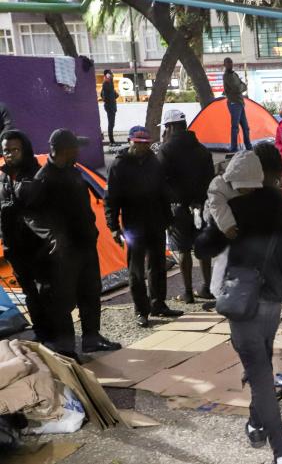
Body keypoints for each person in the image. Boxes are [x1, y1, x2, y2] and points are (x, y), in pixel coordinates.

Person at [194, 151, 282, 464]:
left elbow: (202, 247)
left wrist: (208, 217)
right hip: (273, 300)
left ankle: (281, 448)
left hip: (241, 300)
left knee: (258, 373)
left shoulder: (234, 209)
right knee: (261, 364)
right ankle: (257, 423)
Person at [24, 129, 120, 357]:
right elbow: (30, 215)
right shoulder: (44, 178)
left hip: (85, 243)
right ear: (65, 150)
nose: (79, 151)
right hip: (63, 253)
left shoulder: (73, 172)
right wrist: (52, 236)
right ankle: (67, 348)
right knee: (63, 300)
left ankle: (91, 338)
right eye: (75, 147)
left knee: (91, 292)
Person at [106, 126, 181, 327]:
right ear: (130, 141)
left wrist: (168, 220)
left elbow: (163, 192)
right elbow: (111, 199)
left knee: (157, 266)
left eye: (145, 143)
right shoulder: (118, 166)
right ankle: (141, 310)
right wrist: (113, 226)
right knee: (136, 270)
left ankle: (159, 304)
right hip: (133, 225)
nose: (141, 147)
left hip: (156, 222)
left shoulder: (153, 162)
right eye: (137, 143)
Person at [157, 109, 216, 304]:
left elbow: (159, 181)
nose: (164, 131)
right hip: (201, 206)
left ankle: (188, 292)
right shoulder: (202, 150)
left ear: (171, 127)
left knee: (182, 249)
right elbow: (210, 179)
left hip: (177, 208)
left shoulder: (165, 150)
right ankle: (207, 287)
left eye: (165, 127)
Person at [1, 130, 48, 343]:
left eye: (14, 150)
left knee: (46, 291)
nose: (9, 154)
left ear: (24, 150)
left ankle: (57, 335)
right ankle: (41, 332)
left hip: (37, 244)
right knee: (30, 293)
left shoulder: (36, 173)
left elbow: (35, 202)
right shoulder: (3, 176)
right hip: (15, 246)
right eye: (5, 151)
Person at [205, 150, 264, 241]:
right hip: (215, 218)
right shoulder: (219, 185)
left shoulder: (252, 190)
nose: (251, 189)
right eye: (247, 186)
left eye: (253, 186)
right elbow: (218, 206)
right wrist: (228, 226)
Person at [223, 57, 253, 152]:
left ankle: (248, 146)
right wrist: (240, 87)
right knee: (235, 127)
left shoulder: (234, 74)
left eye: (231, 62)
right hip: (234, 103)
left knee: (245, 127)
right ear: (225, 65)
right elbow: (237, 87)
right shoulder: (226, 76)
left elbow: (243, 85)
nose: (230, 64)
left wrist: (240, 87)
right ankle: (233, 148)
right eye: (228, 63)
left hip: (240, 103)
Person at [101, 70, 119, 145]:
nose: (112, 75)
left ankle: (112, 141)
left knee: (112, 124)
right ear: (107, 75)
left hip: (111, 106)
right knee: (111, 124)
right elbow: (106, 96)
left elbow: (114, 95)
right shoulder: (106, 83)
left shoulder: (109, 84)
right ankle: (111, 141)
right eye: (110, 74)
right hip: (110, 106)